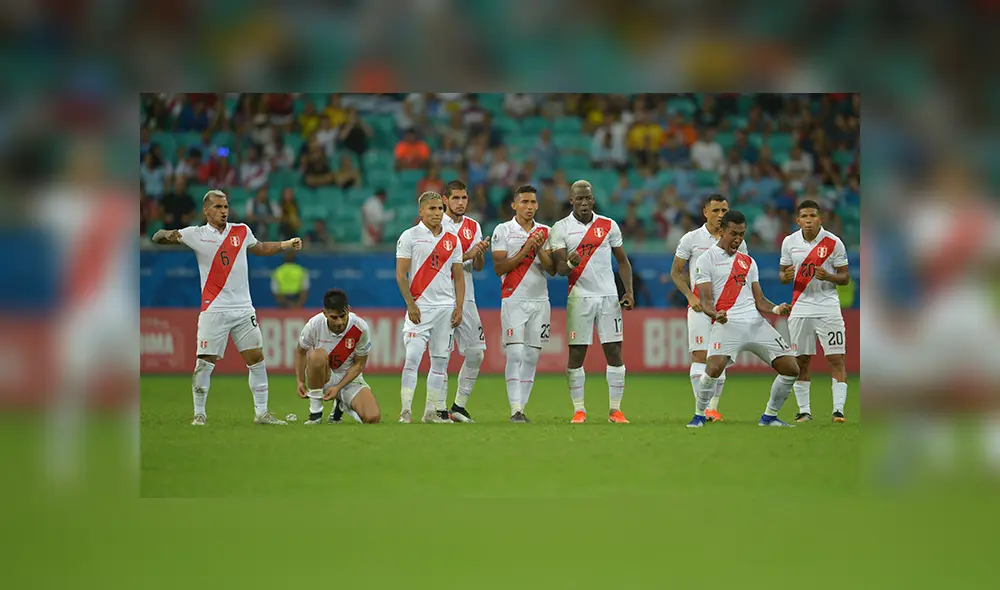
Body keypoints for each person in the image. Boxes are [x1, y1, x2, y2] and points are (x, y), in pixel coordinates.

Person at [151, 189, 303, 425]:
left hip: (243, 309)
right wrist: (170, 234)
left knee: (257, 359)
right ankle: (199, 413)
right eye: (218, 207)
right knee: (204, 362)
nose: (223, 211)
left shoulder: (241, 231)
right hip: (214, 310)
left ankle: (261, 413)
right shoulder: (196, 234)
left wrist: (286, 244)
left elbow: (260, 248)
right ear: (206, 210)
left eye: (226, 207)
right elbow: (157, 237)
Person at [687, 210, 798, 428]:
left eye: (742, 234)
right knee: (713, 369)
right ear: (721, 232)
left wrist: (776, 309)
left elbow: (760, 300)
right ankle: (699, 415)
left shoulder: (748, 262)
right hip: (727, 323)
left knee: (791, 369)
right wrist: (715, 314)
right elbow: (706, 301)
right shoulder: (705, 260)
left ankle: (769, 417)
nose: (738, 239)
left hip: (755, 324)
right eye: (733, 233)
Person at [551, 180, 634, 424]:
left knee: (614, 351)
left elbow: (623, 262)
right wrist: (569, 263)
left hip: (609, 297)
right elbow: (558, 270)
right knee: (577, 354)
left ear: (593, 199)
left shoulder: (608, 225)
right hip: (579, 298)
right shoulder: (560, 228)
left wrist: (628, 291)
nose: (584, 202)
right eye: (579, 198)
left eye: (588, 198)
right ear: (571, 201)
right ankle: (579, 410)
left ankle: (615, 410)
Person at [670, 194, 748, 422]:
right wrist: (688, 295)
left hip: (727, 308)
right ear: (705, 212)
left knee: (719, 358)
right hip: (699, 306)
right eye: (715, 211)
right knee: (699, 355)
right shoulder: (691, 239)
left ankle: (712, 408)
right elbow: (676, 272)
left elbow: (742, 272)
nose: (720, 215)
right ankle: (702, 409)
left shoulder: (738, 241)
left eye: (724, 210)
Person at [395, 191, 465, 423]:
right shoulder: (410, 236)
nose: (437, 213)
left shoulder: (452, 238)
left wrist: (459, 306)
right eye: (432, 209)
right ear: (421, 211)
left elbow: (458, 277)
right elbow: (401, 274)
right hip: (420, 309)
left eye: (439, 209)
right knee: (413, 358)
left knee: (440, 363)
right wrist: (410, 304)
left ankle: (430, 412)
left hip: (446, 309)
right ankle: (405, 411)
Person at [779, 200, 851, 422]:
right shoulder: (789, 242)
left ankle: (838, 411)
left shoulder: (833, 242)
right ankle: (804, 411)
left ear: (821, 219)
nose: (808, 220)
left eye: (813, 216)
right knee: (801, 360)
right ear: (797, 220)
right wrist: (785, 276)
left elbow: (845, 277)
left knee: (836, 358)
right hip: (800, 306)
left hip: (828, 306)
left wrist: (828, 276)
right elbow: (782, 274)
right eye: (804, 216)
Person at [492, 185, 557, 422]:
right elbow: (499, 267)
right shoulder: (503, 230)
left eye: (533, 203)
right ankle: (514, 409)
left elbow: (551, 270)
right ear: (514, 205)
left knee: (531, 356)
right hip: (513, 299)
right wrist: (526, 248)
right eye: (524, 202)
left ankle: (521, 409)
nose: (529, 207)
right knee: (515, 353)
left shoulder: (545, 231)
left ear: (537, 205)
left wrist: (539, 249)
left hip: (540, 300)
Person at [440, 180, 491, 422]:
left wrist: (480, 252)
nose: (461, 203)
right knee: (442, 353)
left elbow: (477, 266)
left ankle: (458, 406)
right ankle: (436, 408)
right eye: (456, 198)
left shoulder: (473, 226)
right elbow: (442, 263)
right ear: (445, 199)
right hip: (440, 296)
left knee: (477, 352)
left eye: (464, 198)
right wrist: (469, 254)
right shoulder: (436, 224)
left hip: (467, 296)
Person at [294, 289, 381, 425]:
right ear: (325, 313)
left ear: (348, 310)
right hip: (324, 376)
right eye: (334, 317)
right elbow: (301, 352)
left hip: (349, 379)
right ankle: (315, 414)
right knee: (317, 355)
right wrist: (300, 381)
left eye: (342, 316)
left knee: (372, 418)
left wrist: (338, 387)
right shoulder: (314, 325)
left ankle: (340, 405)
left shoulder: (360, 327)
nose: (339, 322)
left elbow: (359, 364)